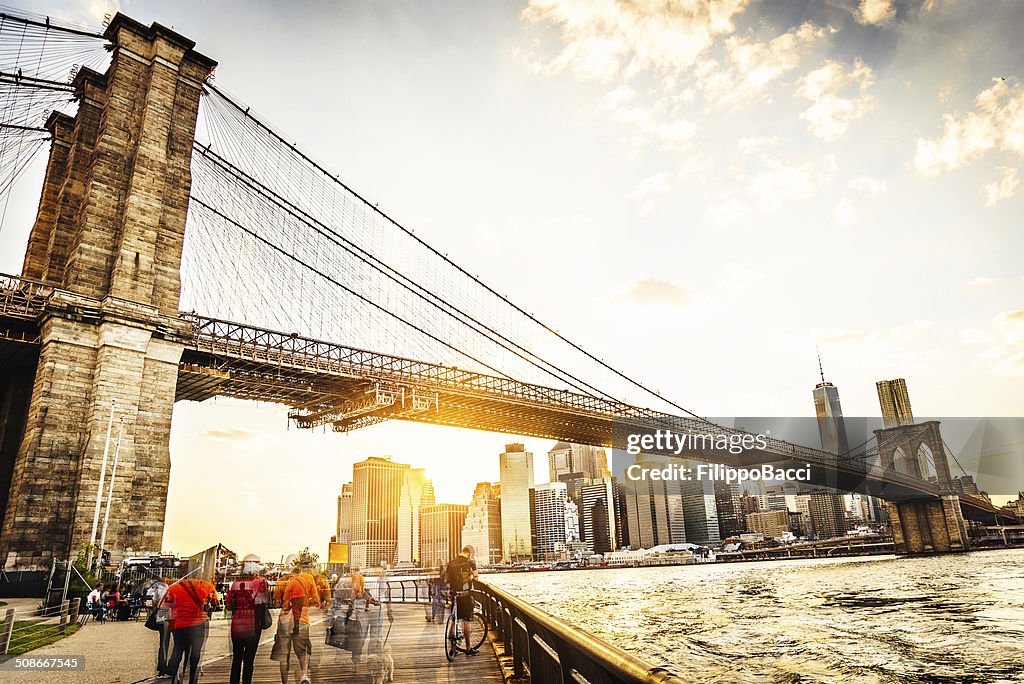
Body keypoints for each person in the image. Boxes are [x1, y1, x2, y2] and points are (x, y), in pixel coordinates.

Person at [270, 562, 320, 684]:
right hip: (302, 619)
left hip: (284, 620)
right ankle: (304, 675)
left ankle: (284, 682)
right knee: (302, 651)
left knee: (284, 655)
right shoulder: (308, 579)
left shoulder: (282, 581)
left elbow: (276, 603)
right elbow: (316, 600)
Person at [165, 577, 219, 684]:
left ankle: (175, 678)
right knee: (196, 652)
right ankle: (192, 680)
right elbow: (215, 603)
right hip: (199, 623)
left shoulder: (173, 588)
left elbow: (165, 605)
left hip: (180, 623)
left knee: (178, 649)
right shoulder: (207, 586)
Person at [226, 568, 269, 684]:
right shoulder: (261, 583)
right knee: (249, 661)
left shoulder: (235, 584)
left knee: (237, 658)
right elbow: (266, 600)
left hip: (237, 626)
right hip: (253, 627)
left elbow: (229, 605)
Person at [444, 545, 479, 655]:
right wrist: (469, 579)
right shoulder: (471, 563)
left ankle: (452, 648)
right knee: (466, 621)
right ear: (469, 554)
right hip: (465, 594)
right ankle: (468, 649)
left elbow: (446, 579)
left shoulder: (451, 563)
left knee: (454, 620)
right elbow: (476, 577)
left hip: (454, 594)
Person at [147, 578, 171, 678]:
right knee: (169, 644)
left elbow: (154, 603)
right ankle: (166, 668)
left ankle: (162, 668)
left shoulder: (157, 589)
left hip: (161, 618)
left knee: (164, 644)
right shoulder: (167, 589)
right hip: (168, 618)